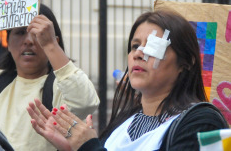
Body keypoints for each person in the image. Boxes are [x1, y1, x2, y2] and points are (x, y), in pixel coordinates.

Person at [27, 10, 229, 151]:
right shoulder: (124, 123)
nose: (138, 54)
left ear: (186, 62)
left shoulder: (201, 122)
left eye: (153, 47)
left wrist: (89, 147)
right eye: (134, 46)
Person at [0, 3, 100, 151]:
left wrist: (50, 46)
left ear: (54, 41)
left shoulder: (61, 86)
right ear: (8, 42)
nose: (29, 41)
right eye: (20, 32)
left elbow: (86, 102)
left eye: (38, 34)